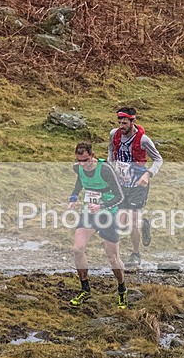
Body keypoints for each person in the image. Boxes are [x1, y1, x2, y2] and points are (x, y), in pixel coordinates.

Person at [67, 142, 128, 308]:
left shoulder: (105, 170)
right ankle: (85, 289)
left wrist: (102, 206)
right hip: (89, 213)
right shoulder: (78, 168)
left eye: (85, 160)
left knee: (113, 258)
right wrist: (73, 197)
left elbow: (120, 196)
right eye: (79, 160)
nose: (82, 164)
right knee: (77, 249)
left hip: (108, 215)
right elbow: (80, 182)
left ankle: (122, 288)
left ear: (92, 155)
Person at [107, 106, 163, 269]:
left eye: (124, 122)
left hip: (138, 184)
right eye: (119, 122)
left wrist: (148, 174)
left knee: (131, 222)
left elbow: (158, 159)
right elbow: (111, 151)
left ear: (133, 121)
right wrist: (111, 169)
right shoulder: (114, 134)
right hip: (121, 183)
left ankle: (136, 254)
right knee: (122, 222)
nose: (121, 125)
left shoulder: (143, 139)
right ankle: (143, 223)